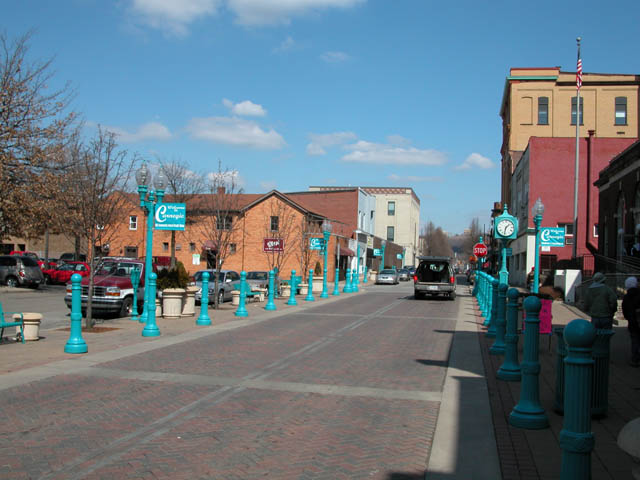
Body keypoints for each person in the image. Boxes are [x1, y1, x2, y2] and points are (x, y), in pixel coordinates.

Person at [622, 276, 640, 367]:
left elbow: (624, 311)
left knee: (634, 340)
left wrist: (629, 318)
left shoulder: (626, 297)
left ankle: (635, 359)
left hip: (632, 322)